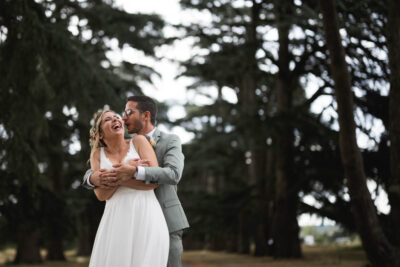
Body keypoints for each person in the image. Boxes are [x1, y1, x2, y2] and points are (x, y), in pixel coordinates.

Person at [82, 95, 189, 267]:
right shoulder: (106, 150)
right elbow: (98, 177)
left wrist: (133, 171)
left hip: (163, 216)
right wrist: (90, 177)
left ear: (145, 116)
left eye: (128, 112)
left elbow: (173, 174)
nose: (123, 117)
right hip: (120, 217)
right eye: (122, 113)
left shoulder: (169, 140)